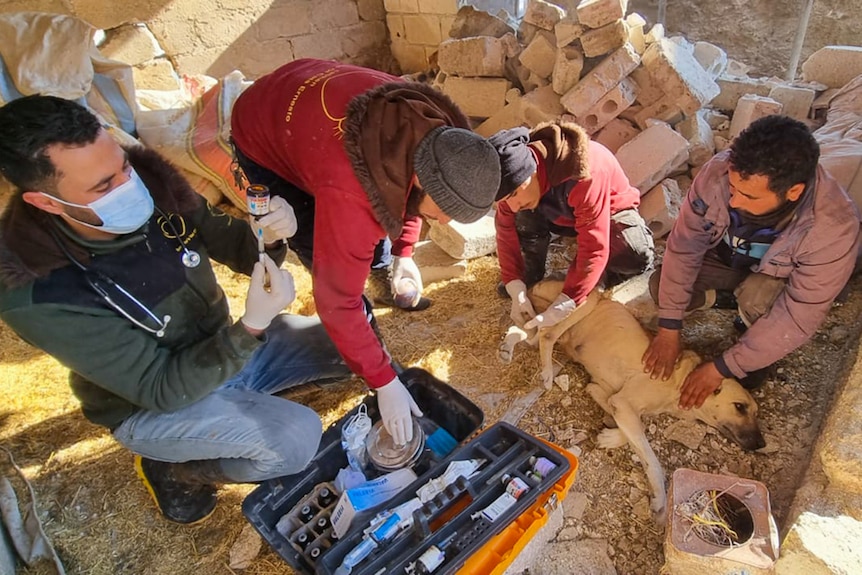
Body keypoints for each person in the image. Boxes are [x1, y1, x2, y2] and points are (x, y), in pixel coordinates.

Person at [0, 95, 354, 525]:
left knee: (348, 336)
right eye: (103, 186)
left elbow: (240, 250)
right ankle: (181, 470)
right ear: (48, 202)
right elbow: (160, 388)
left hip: (222, 353)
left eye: (123, 167)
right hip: (156, 405)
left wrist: (271, 236)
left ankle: (239, 408)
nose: (129, 187)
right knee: (296, 439)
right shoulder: (38, 289)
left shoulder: (151, 184)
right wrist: (251, 327)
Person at [230, 59, 500, 445]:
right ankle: (369, 356)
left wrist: (405, 253)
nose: (441, 223)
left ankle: (386, 280)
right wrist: (384, 380)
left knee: (375, 240)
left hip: (309, 91)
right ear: (422, 179)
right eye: (443, 212)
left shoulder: (446, 138)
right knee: (322, 247)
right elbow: (335, 299)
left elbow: (408, 197)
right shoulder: (350, 194)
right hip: (264, 128)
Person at [642, 115, 861, 410]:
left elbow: (799, 314)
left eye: (747, 195)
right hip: (728, 260)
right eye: (733, 188)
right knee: (661, 287)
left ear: (792, 192)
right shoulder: (720, 172)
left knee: (756, 317)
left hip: (775, 279)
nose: (733, 201)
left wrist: (723, 366)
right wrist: (670, 328)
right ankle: (725, 298)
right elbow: (684, 248)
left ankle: (747, 320)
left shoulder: (833, 229)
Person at [490, 121, 654, 330]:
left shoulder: (584, 169)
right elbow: (505, 229)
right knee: (519, 215)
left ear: (533, 170)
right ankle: (531, 272)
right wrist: (515, 285)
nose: (511, 205)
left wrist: (568, 299)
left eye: (513, 194)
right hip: (562, 213)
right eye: (505, 200)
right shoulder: (515, 180)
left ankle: (601, 279)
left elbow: (594, 246)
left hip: (609, 213)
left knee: (632, 252)